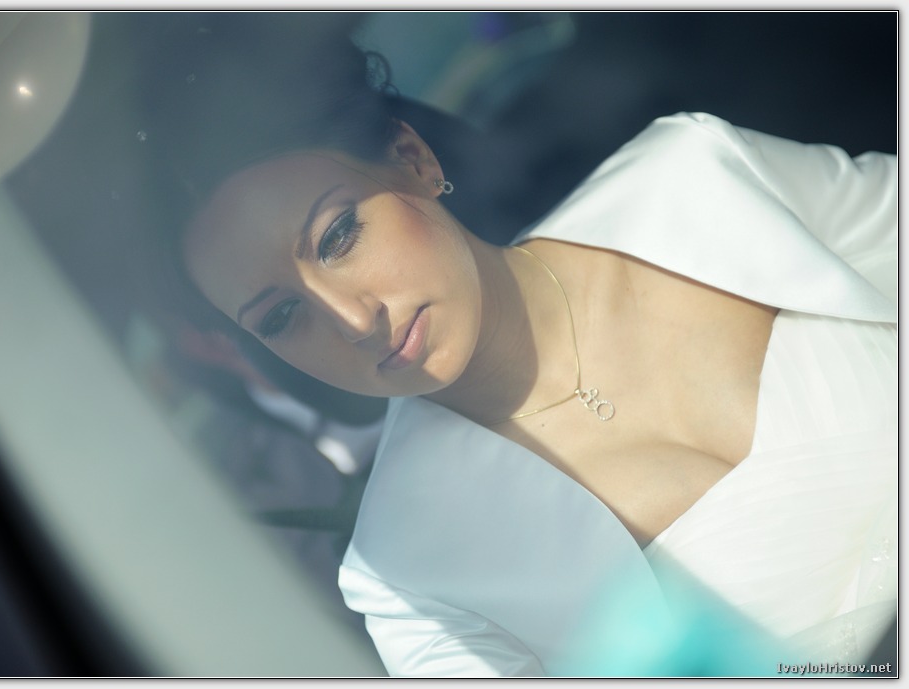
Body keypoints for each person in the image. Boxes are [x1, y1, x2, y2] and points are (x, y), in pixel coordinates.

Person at [138, 15, 896, 677]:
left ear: (413, 160)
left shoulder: (701, 174)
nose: (351, 319)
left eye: (339, 237)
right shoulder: (403, 574)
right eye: (280, 317)